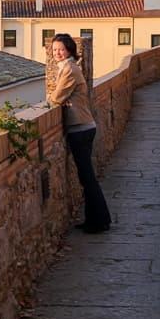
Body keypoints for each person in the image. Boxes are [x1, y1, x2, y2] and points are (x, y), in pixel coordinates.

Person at [48, 33, 112, 233]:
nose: (57, 53)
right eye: (55, 49)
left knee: (88, 178)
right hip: (83, 127)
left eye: (61, 49)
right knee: (86, 178)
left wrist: (53, 98)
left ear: (69, 51)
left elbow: (57, 97)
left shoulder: (69, 69)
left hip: (80, 129)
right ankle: (95, 219)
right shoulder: (68, 67)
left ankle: (100, 221)